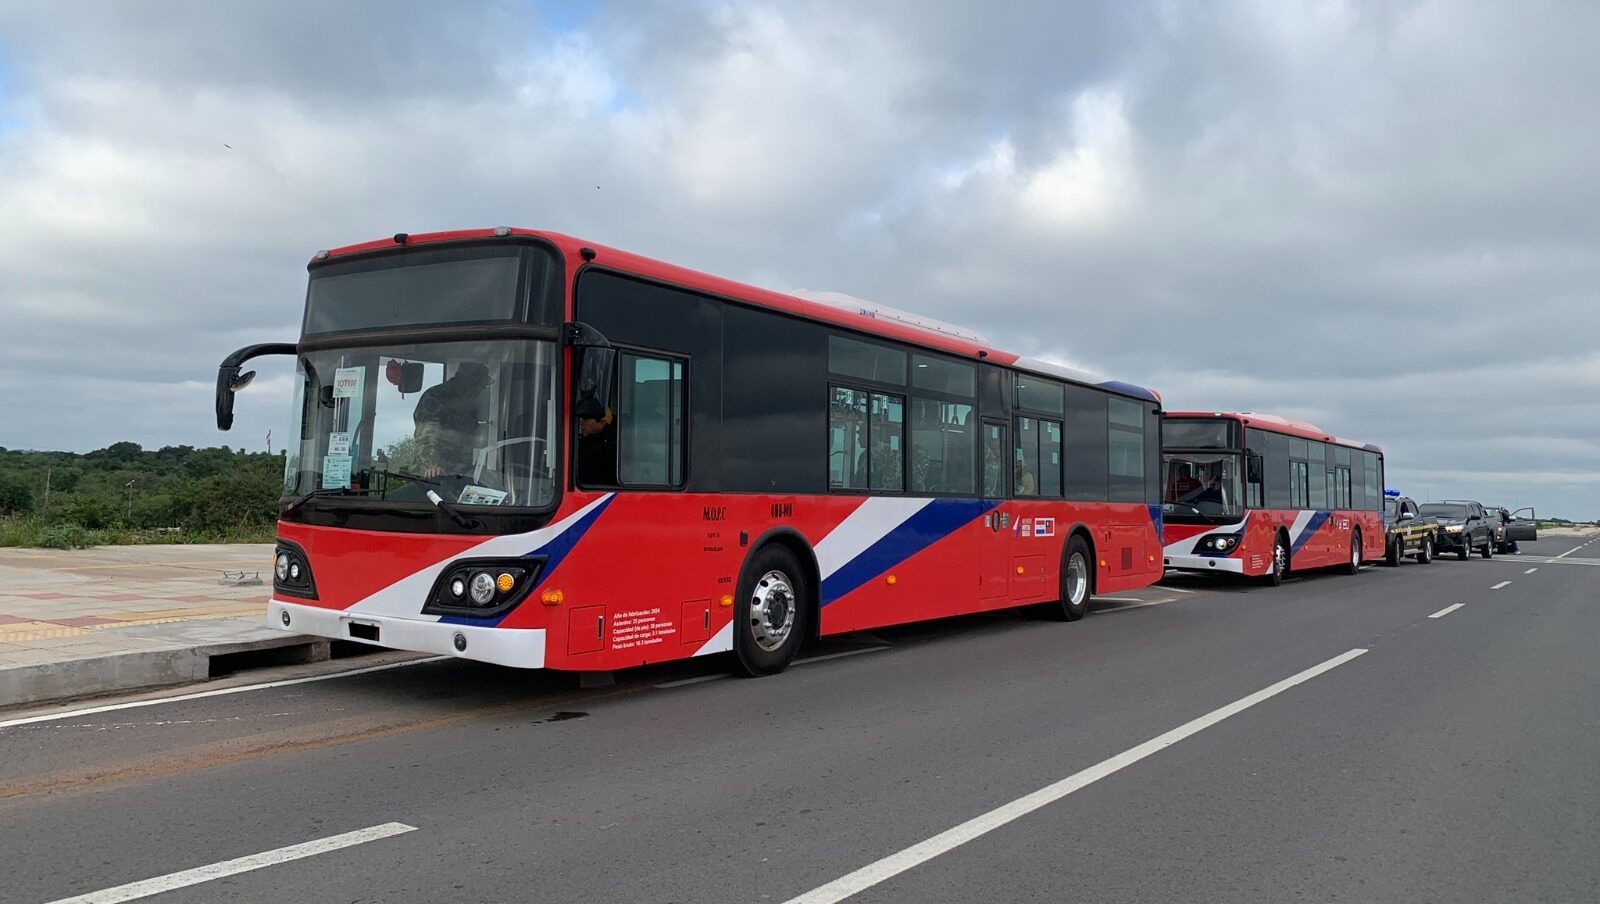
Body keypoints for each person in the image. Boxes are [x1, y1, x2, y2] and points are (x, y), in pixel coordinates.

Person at [413, 363, 490, 479]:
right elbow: (427, 434)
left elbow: (470, 436)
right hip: (432, 476)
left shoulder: (469, 404)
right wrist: (432, 465)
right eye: (481, 386)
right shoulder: (435, 397)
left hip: (459, 474)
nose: (481, 390)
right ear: (468, 383)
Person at [576, 403, 617, 486]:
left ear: (601, 423)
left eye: (585, 419)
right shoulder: (584, 441)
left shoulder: (607, 450)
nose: (581, 423)